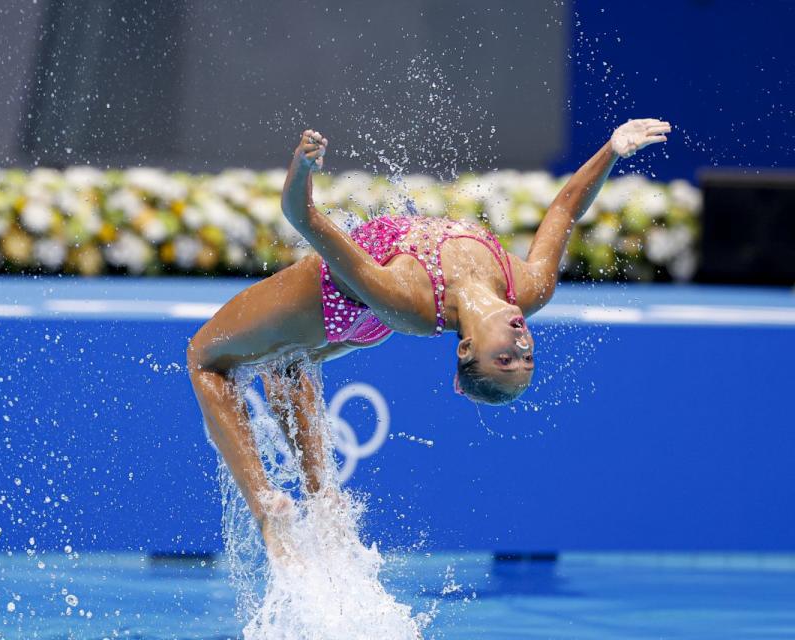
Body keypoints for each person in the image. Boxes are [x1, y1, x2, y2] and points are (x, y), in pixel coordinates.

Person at [187, 118, 671, 556]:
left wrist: (301, 168)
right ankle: (323, 500)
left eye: (506, 361)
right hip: (367, 316)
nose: (522, 348)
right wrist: (611, 149)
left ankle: (266, 513)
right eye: (527, 359)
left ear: (466, 349)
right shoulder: (528, 288)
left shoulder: (411, 300)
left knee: (205, 358)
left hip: (333, 299)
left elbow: (304, 218)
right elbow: (565, 209)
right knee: (286, 367)